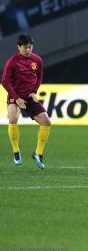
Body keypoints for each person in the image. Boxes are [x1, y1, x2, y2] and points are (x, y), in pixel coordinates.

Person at [1, 34, 51, 170]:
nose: (28, 50)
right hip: (15, 96)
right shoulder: (12, 62)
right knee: (12, 118)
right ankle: (16, 151)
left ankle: (38, 153)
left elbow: (39, 76)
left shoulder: (37, 60)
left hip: (30, 97)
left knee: (46, 122)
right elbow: (5, 81)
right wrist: (16, 98)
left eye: (30, 47)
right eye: (25, 48)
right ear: (19, 47)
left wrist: (34, 91)